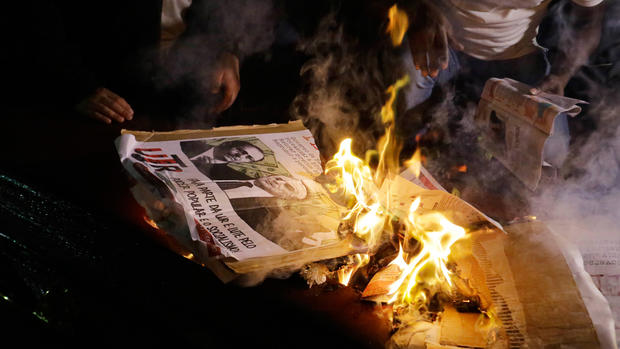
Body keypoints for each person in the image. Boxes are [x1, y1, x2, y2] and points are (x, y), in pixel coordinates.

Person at [398, 0, 606, 169]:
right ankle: (397, 158)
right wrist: (420, 8)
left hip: (517, 58)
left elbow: (588, 20)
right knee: (397, 105)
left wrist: (562, 75)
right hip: (440, 44)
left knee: (551, 157)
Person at [5, 1, 241, 124]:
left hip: (181, 93)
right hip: (101, 95)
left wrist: (225, 48)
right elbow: (34, 16)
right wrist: (75, 85)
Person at [180, 139, 265, 179]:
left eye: (249, 158)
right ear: (228, 143)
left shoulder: (222, 176)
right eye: (240, 150)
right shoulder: (190, 142)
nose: (239, 156)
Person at [215, 175, 308, 200]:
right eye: (279, 178)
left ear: (285, 197)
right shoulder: (227, 170)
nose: (277, 181)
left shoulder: (252, 212)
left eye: (287, 186)